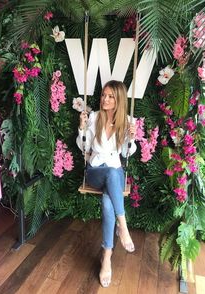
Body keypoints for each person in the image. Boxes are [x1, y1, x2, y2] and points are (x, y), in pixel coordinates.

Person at [76, 80, 137, 288]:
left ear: (118, 99)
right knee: (110, 173)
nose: (105, 99)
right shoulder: (94, 117)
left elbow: (127, 153)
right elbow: (83, 146)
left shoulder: (126, 121)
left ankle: (107, 257)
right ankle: (124, 227)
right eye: (104, 95)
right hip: (95, 171)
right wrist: (82, 129)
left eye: (110, 96)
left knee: (107, 201)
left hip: (116, 172)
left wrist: (132, 137)